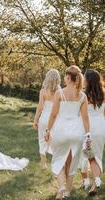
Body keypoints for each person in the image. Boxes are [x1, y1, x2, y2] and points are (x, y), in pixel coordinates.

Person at [45, 65, 90, 199]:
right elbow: (85, 118)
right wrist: (88, 135)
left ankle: (61, 187)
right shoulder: (82, 96)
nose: (64, 78)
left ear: (69, 78)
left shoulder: (60, 93)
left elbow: (53, 115)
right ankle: (67, 191)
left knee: (57, 159)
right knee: (72, 162)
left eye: (65, 76)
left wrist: (48, 129)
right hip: (77, 132)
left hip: (61, 130)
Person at [80, 69, 105, 196]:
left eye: (84, 78)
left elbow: (80, 115)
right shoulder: (104, 94)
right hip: (101, 127)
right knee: (97, 155)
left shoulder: (83, 95)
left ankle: (86, 180)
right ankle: (94, 184)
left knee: (87, 155)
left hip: (87, 128)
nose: (83, 80)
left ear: (88, 80)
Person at [33, 69, 61, 169]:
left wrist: (35, 120)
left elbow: (40, 107)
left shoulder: (43, 91)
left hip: (44, 119)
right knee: (54, 141)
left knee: (42, 140)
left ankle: (43, 164)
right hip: (55, 119)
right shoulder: (60, 92)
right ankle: (56, 163)